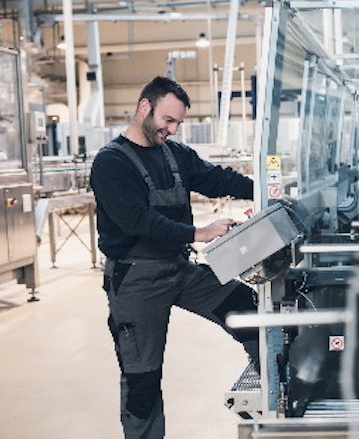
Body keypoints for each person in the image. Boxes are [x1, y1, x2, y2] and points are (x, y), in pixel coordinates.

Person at [90, 76, 258, 438]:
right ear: (144, 107)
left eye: (178, 122)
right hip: (136, 279)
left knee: (249, 309)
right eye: (168, 120)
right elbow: (138, 220)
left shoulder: (173, 153)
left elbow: (215, 179)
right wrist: (199, 233)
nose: (172, 129)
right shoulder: (111, 163)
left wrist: (269, 188)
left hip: (178, 269)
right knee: (143, 380)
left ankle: (274, 394)